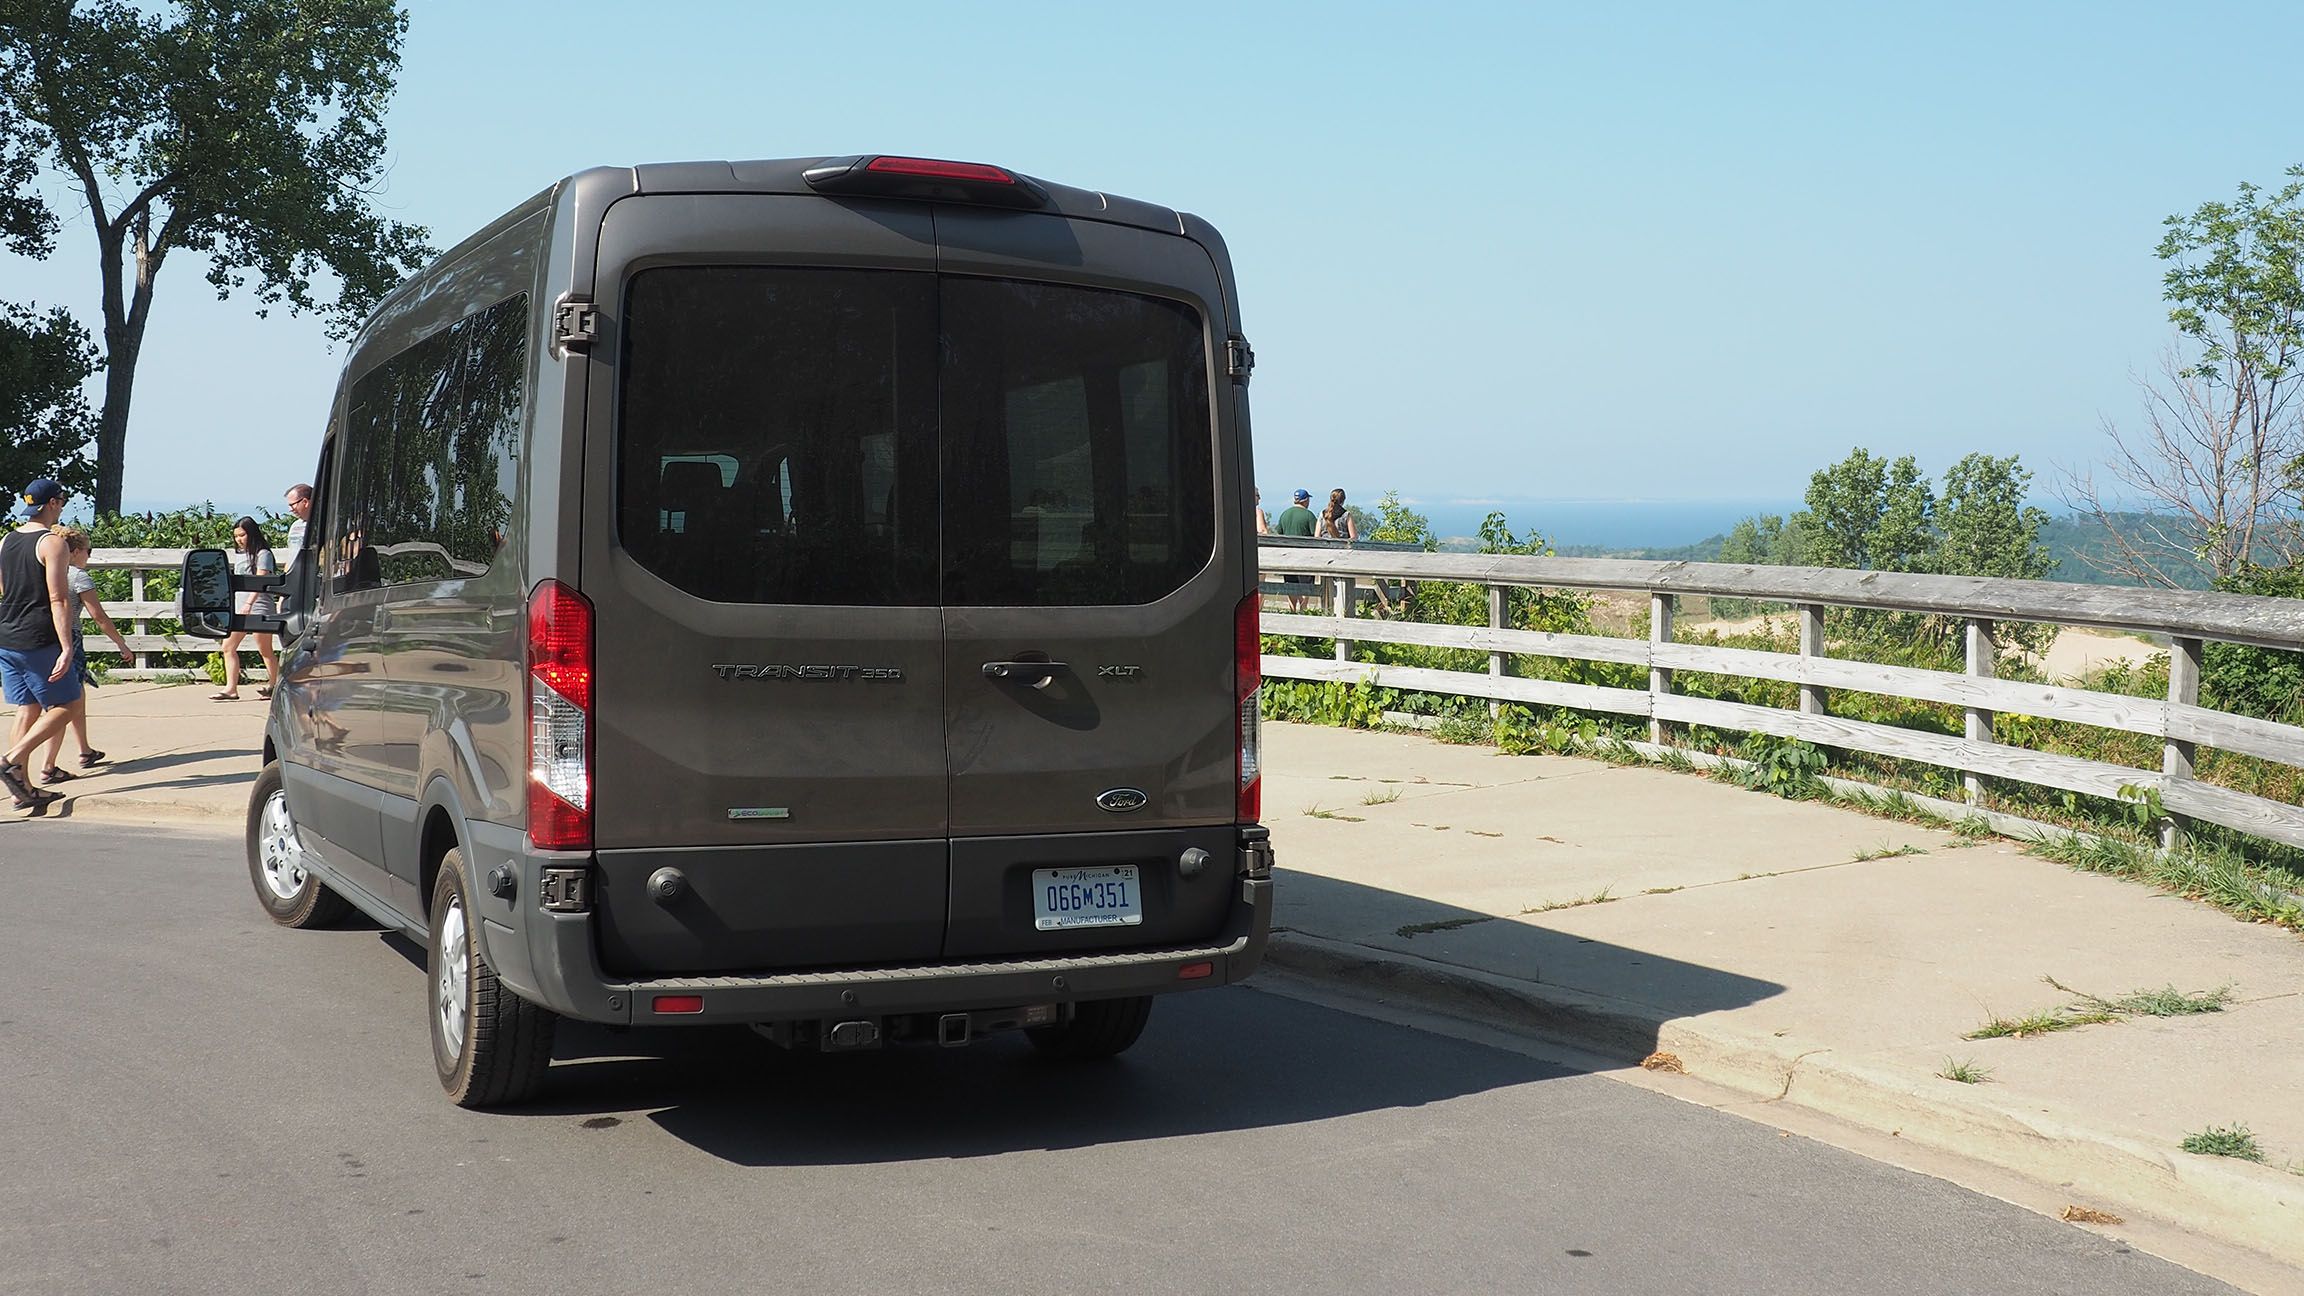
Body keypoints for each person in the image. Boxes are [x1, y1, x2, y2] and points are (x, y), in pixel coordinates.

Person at [0, 478, 83, 811]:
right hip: (38, 637)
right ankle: (11, 760)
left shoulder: (7, 540)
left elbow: (5, 587)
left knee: (27, 708)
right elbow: (58, 598)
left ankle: (22, 789)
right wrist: (66, 647)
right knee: (68, 705)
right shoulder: (52, 543)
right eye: (61, 501)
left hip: (7, 634)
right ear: (51, 504)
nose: (61, 507)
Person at [34, 528, 131, 782]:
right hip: (70, 640)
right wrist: (121, 644)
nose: (89, 556)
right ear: (75, 551)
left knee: (77, 695)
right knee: (63, 703)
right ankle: (48, 766)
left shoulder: (43, 571)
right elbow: (99, 617)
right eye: (89, 551)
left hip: (41, 640)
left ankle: (85, 750)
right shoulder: (78, 577)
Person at [214, 516, 279, 701]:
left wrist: (249, 603)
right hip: (239, 606)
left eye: (242, 535)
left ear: (251, 534)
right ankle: (231, 688)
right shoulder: (239, 555)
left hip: (259, 606)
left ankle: (274, 685)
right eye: (236, 536)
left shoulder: (263, 554)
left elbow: (261, 581)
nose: (239, 540)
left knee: (264, 649)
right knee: (228, 646)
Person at [1272, 488, 1318, 613]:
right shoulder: (1309, 515)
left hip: (1288, 558)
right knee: (1305, 586)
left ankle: (1292, 611)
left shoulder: (1284, 514)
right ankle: (1303, 611)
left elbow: (1279, 533)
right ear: (1306, 500)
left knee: (1290, 584)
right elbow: (1316, 536)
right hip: (1306, 558)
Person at [282, 482, 313, 569]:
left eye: (292, 505)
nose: (290, 510)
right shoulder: (295, 525)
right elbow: (291, 553)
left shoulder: (320, 526)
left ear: (305, 502)